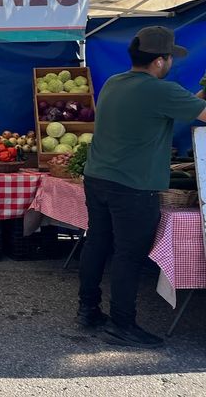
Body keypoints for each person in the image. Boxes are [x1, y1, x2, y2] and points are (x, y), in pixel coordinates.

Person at [78, 26, 206, 348]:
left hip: (98, 179)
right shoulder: (160, 91)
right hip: (132, 187)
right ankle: (122, 324)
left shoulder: (114, 83)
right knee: (128, 255)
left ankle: (87, 310)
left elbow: (186, 105)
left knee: (97, 243)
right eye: (169, 58)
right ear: (160, 61)